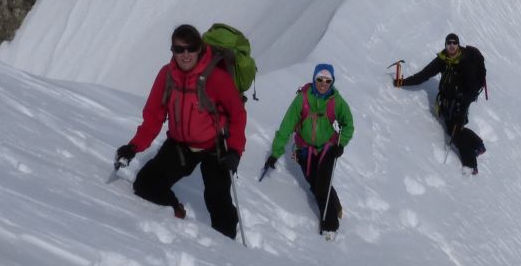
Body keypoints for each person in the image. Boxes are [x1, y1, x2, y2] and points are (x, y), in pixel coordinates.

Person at [115, 23, 247, 238]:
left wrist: (234, 151)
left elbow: (238, 115)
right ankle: (175, 210)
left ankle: (226, 245)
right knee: (145, 184)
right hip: (181, 144)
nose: (185, 54)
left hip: (215, 146)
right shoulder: (167, 75)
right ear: (172, 50)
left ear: (200, 49)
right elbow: (153, 117)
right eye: (179, 49)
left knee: (218, 199)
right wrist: (133, 147)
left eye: (191, 48)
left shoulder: (216, 78)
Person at [261, 63, 354, 234]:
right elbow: (287, 125)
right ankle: (336, 206)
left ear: (332, 82)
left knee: (322, 187)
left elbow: (348, 124)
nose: (323, 84)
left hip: (328, 148)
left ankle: (330, 227)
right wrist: (275, 153)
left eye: (328, 80)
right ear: (314, 79)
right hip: (304, 150)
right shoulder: (302, 99)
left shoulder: (337, 101)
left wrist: (341, 144)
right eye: (320, 79)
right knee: (315, 184)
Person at [395, 32, 486, 173]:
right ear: (445, 45)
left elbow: (472, 90)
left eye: (454, 43)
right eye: (449, 43)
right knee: (452, 129)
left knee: (456, 134)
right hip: (446, 101)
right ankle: (478, 145)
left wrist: (462, 109)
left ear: (458, 45)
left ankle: (470, 166)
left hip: (461, 102)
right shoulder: (443, 59)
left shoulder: (465, 63)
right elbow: (424, 74)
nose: (451, 46)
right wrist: (403, 82)